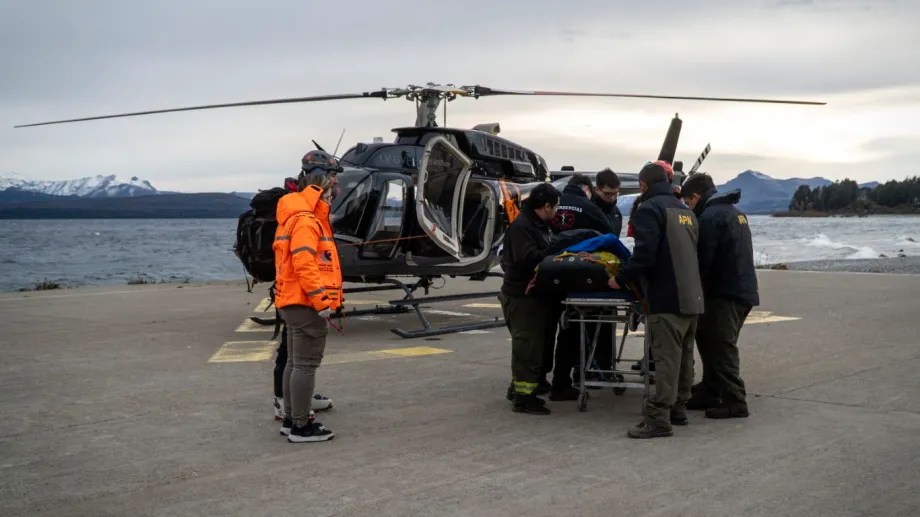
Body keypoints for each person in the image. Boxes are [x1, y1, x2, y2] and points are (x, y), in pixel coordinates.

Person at [609, 160, 704, 439]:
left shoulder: (649, 209)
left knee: (665, 359)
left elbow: (645, 255)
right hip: (692, 295)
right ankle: (679, 409)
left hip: (666, 296)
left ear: (642, 185)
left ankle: (658, 418)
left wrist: (622, 278)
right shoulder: (685, 210)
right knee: (685, 357)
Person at [274, 150, 343, 443]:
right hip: (304, 303)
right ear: (322, 181)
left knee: (293, 362)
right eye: (333, 181)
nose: (335, 189)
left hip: (292, 300)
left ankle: (291, 419)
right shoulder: (305, 220)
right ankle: (301, 426)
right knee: (304, 365)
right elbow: (304, 263)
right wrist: (322, 302)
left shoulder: (296, 215)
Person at [680, 173, 759, 419]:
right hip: (742, 289)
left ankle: (735, 400)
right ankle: (711, 389)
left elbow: (704, 259)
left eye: (688, 203)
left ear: (695, 196)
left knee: (721, 346)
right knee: (710, 341)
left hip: (724, 292)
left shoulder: (711, 217)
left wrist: (691, 286)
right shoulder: (735, 212)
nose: (688, 208)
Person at [545, 174, 616, 401]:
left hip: (550, 274)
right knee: (574, 329)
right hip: (579, 278)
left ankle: (542, 379)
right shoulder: (589, 207)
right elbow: (610, 237)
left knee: (548, 330)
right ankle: (569, 378)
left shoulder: (553, 204)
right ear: (587, 188)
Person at [499, 182, 560, 415]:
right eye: (555, 207)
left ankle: (518, 390)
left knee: (532, 347)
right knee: (527, 349)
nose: (556, 212)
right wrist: (554, 252)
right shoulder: (523, 227)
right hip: (522, 296)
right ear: (546, 206)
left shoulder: (536, 225)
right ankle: (524, 398)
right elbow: (527, 260)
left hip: (533, 296)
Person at [593, 168, 623, 237]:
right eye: (607, 194)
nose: (612, 198)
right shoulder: (589, 210)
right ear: (597, 189)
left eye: (615, 193)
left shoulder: (616, 212)